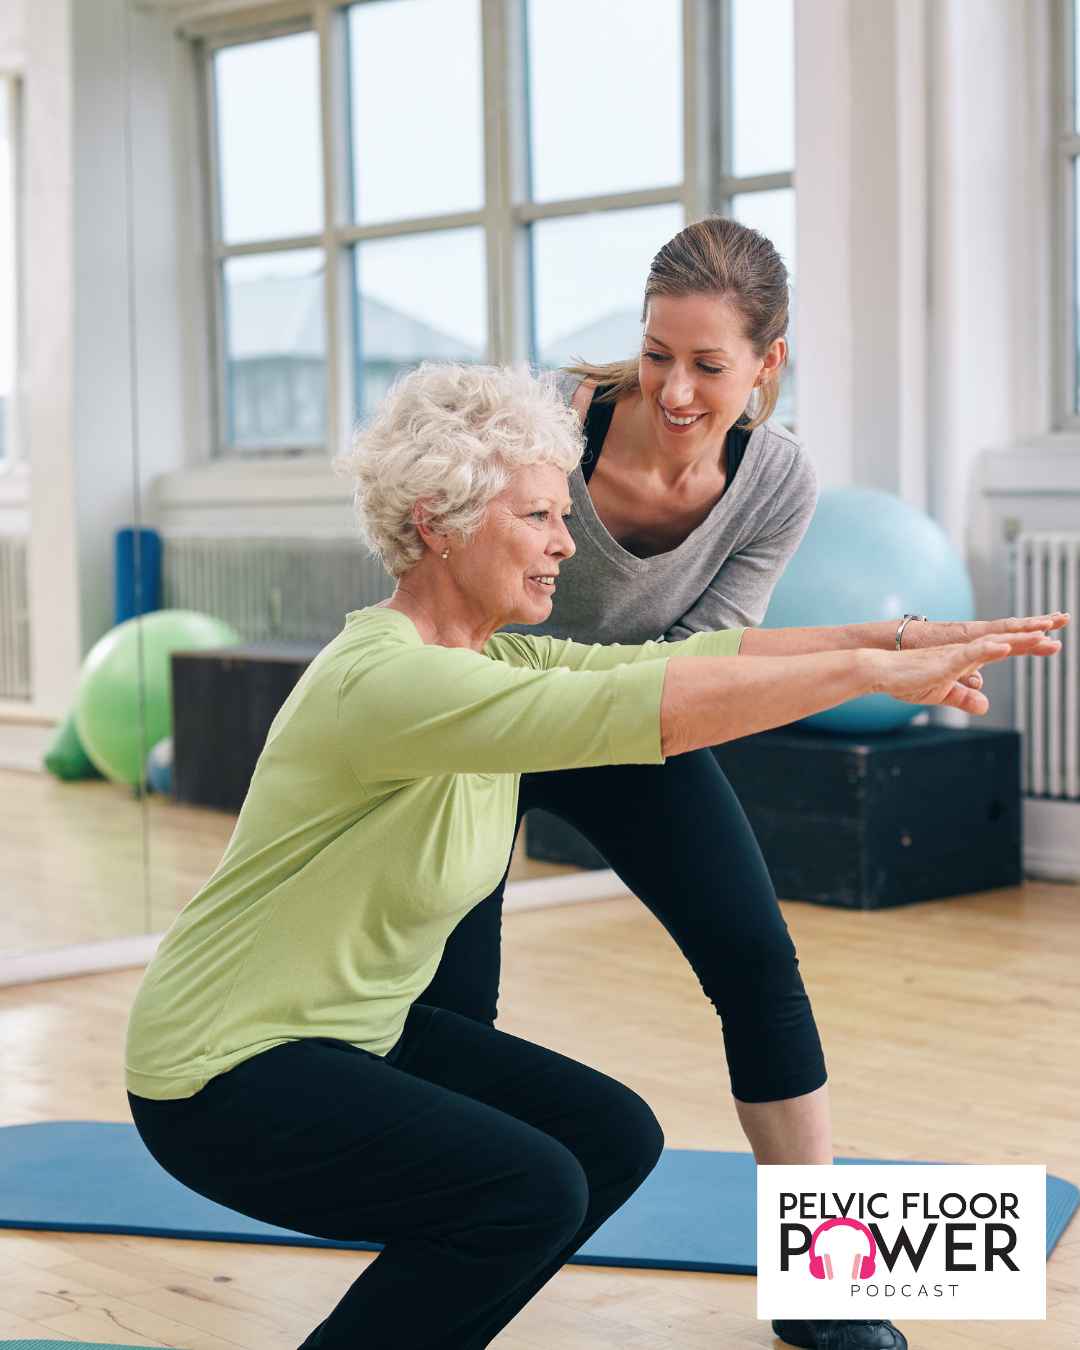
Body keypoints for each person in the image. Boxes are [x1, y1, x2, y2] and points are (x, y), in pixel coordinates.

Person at [125, 362, 1064, 1350]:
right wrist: (870, 674)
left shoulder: (488, 656)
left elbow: (682, 663)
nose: (567, 545)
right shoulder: (386, 681)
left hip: (350, 1032)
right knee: (527, 1189)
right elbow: (641, 710)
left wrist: (904, 635)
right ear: (438, 522)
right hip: (221, 1071)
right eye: (538, 518)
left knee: (609, 1139)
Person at [414, 219, 1070, 1350]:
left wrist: (874, 654)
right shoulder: (553, 425)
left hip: (635, 724)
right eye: (658, 352)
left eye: (709, 364)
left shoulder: (775, 480)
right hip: (491, 716)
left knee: (759, 964)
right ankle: (442, 1243)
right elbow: (443, 583)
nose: (673, 388)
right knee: (452, 1007)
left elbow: (709, 657)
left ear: (769, 363)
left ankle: (820, 1284)